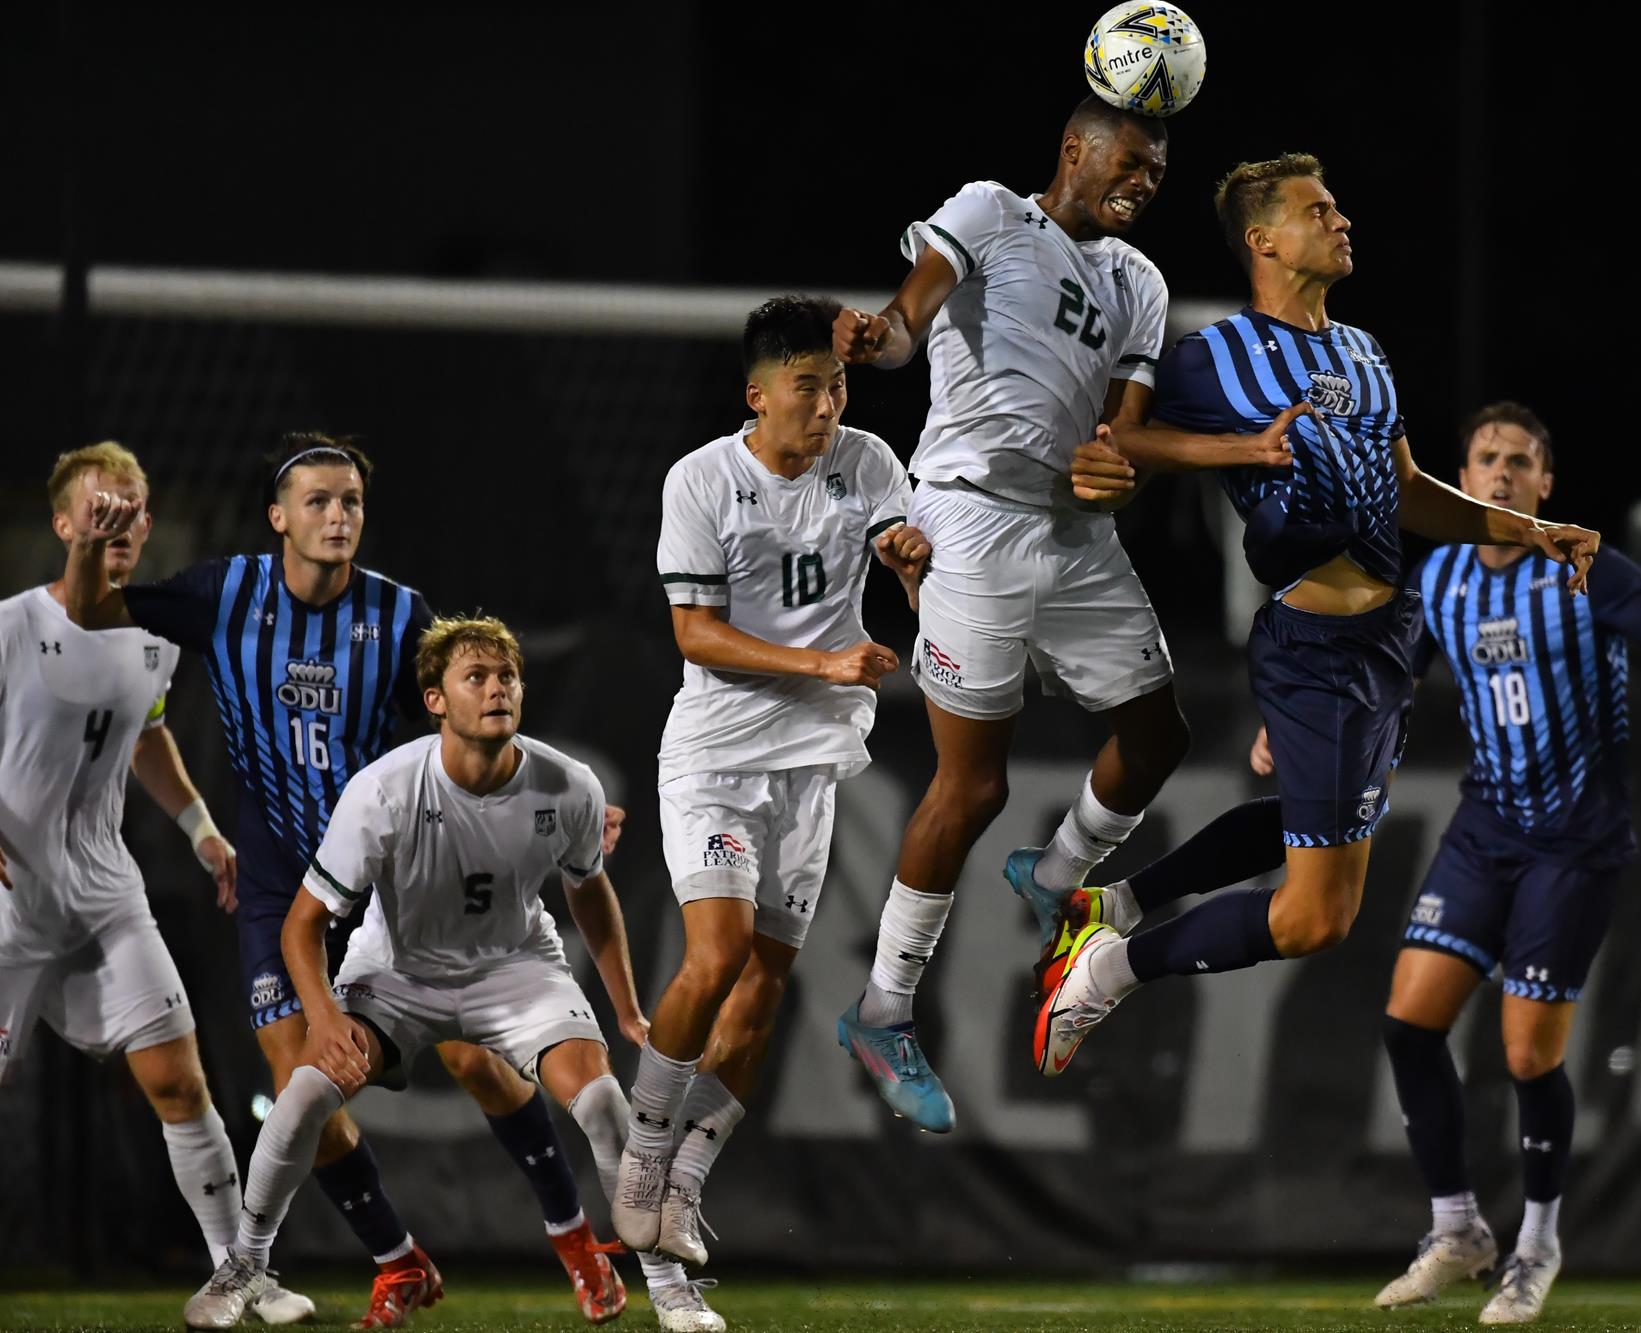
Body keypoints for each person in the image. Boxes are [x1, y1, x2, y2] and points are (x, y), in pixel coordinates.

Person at [1032, 154, 1599, 1081]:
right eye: (1317, 209)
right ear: (1263, 241)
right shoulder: (1215, 355)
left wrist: (1532, 530)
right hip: (1318, 649)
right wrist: (1236, 450)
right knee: (1312, 917)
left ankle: (1119, 906)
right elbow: (1118, 438)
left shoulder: (1364, 352)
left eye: (1337, 205)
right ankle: (1107, 970)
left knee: (1305, 825)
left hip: (1385, 642)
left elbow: (1412, 492)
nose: (1341, 221)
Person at [63, 438, 622, 1326]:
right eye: (318, 501)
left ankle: (576, 1239)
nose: (338, 516)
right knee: (302, 1075)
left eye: (352, 501)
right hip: (281, 875)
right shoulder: (224, 594)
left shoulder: (400, 617)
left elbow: (474, 716)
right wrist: (92, 546)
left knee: (478, 1057)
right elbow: (91, 607)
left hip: (390, 872)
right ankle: (397, 1259)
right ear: (277, 516)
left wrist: (570, 805)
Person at [829, 99, 1297, 1131]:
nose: (1141, 183)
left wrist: (1115, 480)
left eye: (1157, 174)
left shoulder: (1139, 281)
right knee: (972, 782)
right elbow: (907, 324)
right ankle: (882, 1010)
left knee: (1157, 731)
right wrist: (874, 334)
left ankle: (1054, 877)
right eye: (1129, 163)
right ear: (1074, 150)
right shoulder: (990, 212)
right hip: (971, 519)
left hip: (1071, 535)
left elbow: (1121, 439)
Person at [179, 616, 687, 1329]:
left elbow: (591, 894)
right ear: (436, 700)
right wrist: (324, 1021)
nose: (496, 688)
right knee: (300, 1096)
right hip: (399, 974)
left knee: (604, 1103)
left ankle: (669, 1287)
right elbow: (302, 923)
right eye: (475, 677)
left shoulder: (567, 785)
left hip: (515, 968)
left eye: (506, 675)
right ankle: (244, 1265)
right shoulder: (384, 791)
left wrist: (627, 1007)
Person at [1365, 402, 1641, 1324]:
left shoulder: (1583, 568)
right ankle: (1457, 1228)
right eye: (1485, 457)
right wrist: (1300, 747)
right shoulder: (1440, 575)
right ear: (1462, 474)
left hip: (1577, 838)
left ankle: (1536, 1242)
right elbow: (1385, 687)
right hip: (1486, 827)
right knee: (1410, 1021)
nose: (1500, 473)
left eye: (1519, 461)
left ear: (1545, 484)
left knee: (1528, 1053)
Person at [611, 298, 926, 1325]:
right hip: (715, 758)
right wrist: (819, 660)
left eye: (837, 386)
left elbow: (905, 552)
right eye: (807, 386)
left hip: (812, 766)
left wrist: (924, 576)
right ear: (758, 394)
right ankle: (646, 1150)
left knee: (765, 985)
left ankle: (684, 1185)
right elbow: (695, 633)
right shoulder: (701, 479)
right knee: (715, 956)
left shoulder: (868, 462)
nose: (828, 405)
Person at [0, 443, 312, 1324]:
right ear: (63, 525)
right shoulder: (14, 626)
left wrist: (203, 829)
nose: (119, 526)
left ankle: (236, 1270)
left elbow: (145, 736)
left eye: (131, 511)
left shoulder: (152, 638)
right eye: (100, 511)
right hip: (11, 898)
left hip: (106, 893)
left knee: (181, 1084)